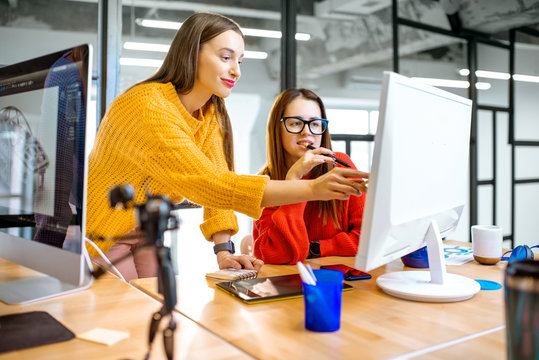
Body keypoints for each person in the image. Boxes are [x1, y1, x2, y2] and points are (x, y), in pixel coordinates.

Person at [86, 12, 368, 281]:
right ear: (192, 53)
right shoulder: (149, 106)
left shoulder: (209, 112)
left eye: (241, 61)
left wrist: (224, 252)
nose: (236, 70)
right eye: (225, 57)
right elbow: (212, 184)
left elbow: (215, 181)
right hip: (103, 233)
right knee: (124, 316)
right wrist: (310, 188)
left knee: (159, 307)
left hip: (145, 232)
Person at [253, 88, 367, 264]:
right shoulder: (264, 182)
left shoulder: (339, 166)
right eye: (295, 123)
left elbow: (367, 238)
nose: (307, 132)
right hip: (287, 282)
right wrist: (294, 180)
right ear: (278, 128)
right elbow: (273, 254)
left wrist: (316, 248)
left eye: (315, 124)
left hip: (336, 281)